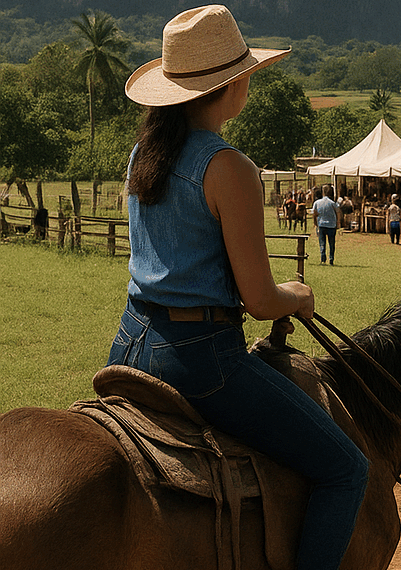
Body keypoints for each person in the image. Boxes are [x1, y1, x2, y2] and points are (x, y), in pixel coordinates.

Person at [107, 7, 367, 570]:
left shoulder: (143, 154)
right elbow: (259, 301)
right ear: (234, 85)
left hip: (129, 343)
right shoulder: (229, 168)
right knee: (348, 470)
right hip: (199, 361)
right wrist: (299, 296)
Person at [312, 186, 341, 264]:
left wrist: (315, 223)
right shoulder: (332, 203)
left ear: (323, 192)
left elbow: (314, 214)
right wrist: (338, 223)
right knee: (331, 243)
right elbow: (338, 212)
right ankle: (331, 258)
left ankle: (323, 257)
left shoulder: (317, 203)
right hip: (331, 225)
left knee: (322, 242)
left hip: (321, 224)